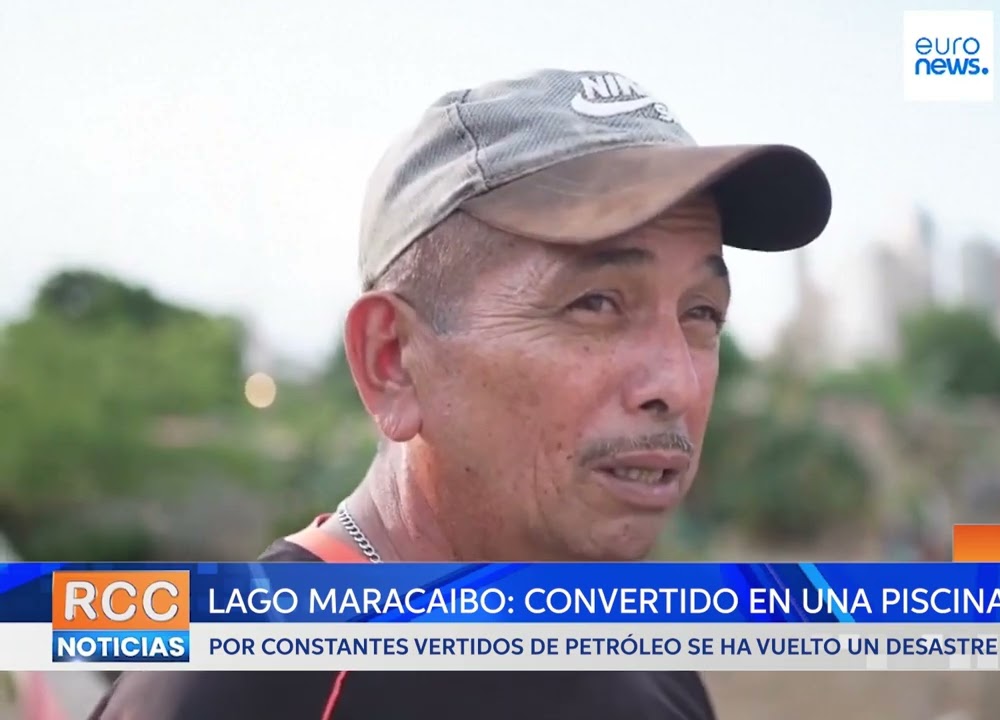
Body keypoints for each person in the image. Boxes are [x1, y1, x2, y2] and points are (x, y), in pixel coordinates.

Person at [90, 67, 831, 720]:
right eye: (597, 303)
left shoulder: (645, 663)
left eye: (701, 315)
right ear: (393, 362)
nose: (676, 383)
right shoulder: (234, 688)